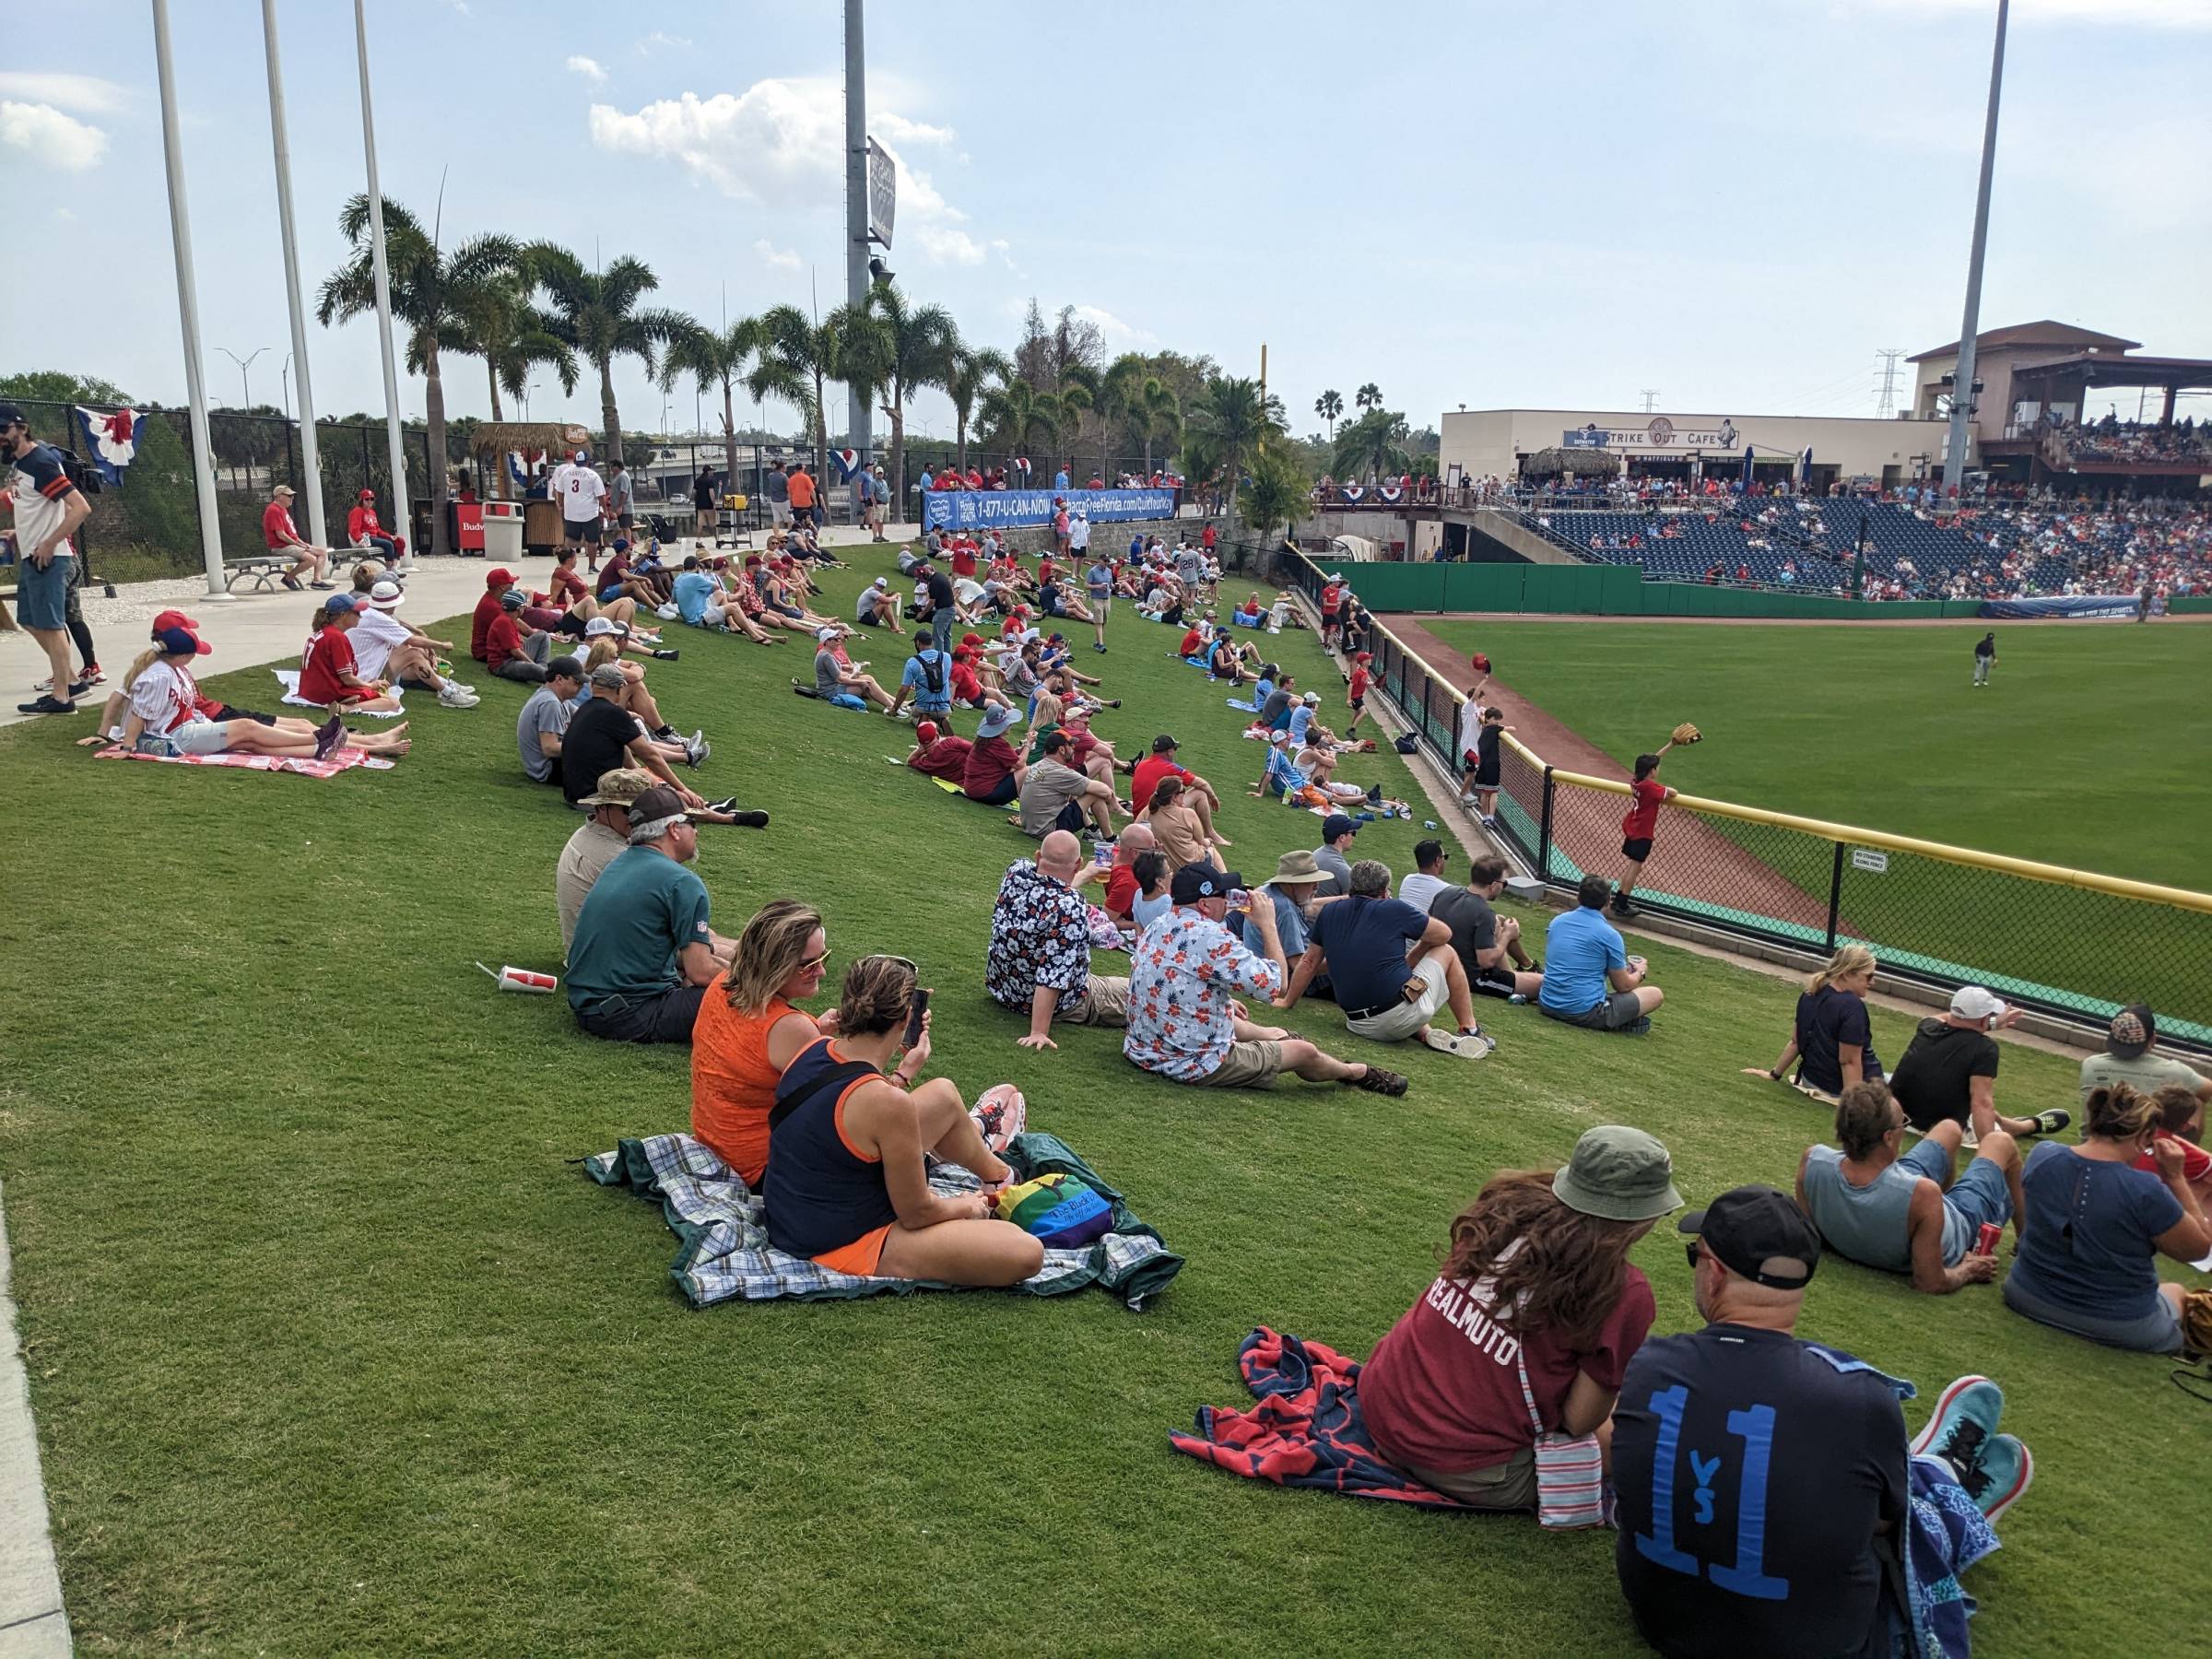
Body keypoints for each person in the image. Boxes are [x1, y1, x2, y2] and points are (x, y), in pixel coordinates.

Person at [1614, 1187, 2025, 1659]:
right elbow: (1887, 1523)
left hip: (1663, 1621)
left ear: (1714, 1275)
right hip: (1818, 1643)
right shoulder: (1861, 1397)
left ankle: (1942, 1470)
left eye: (1694, 1256)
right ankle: (1951, 1482)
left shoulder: (1649, 1366)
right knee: (1909, 1511)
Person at [1359, 1127, 1678, 1508]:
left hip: (1380, 1403)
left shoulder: (1506, 1206)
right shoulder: (1621, 1289)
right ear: (1645, 1215)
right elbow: (1579, 1422)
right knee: (1654, 1425)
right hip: (1463, 1466)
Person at [764, 955, 1041, 1285]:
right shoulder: (885, 1102)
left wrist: (906, 1070)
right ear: (906, 1018)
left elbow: (851, 1107)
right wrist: (965, 1206)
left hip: (791, 1213)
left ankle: (1000, 1176)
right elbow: (916, 1213)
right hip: (839, 1241)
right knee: (1026, 1252)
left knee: (942, 1094)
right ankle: (990, 1170)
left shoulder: (813, 1047)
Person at [1123, 862, 1407, 1095]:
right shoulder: (1212, 936)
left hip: (1144, 1046)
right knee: (1304, 1051)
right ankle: (1356, 1071)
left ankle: (1276, 1036)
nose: (1229, 901)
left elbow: (1183, 978)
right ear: (1205, 905)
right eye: (1224, 896)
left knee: (1240, 1017)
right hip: (1190, 1061)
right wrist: (1268, 925)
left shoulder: (1161, 922)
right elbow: (1276, 985)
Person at [2002, 1081, 2210, 1353]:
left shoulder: (2043, 1155)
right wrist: (2176, 1177)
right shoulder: (2146, 1190)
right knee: (2177, 1293)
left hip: (2027, 1294)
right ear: (2143, 1137)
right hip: (2119, 1323)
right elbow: (2198, 1248)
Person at [1795, 1080, 2025, 1295]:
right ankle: (2026, 1243)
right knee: (1999, 1142)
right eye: (1902, 1123)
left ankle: (1929, 1221)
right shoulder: (1921, 1194)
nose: (1904, 1129)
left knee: (1950, 1129)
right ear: (1888, 1137)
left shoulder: (1814, 1161)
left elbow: (1808, 1237)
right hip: (1958, 1220)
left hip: (1898, 1194)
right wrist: (1969, 1270)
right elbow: (1930, 1282)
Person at [1280, 860, 1490, 1058]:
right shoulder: (1394, 908)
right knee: (1446, 951)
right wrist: (1416, 953)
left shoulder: (1330, 912)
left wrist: (1287, 1002)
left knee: (1395, 997)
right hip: (1397, 1015)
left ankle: (1425, 1033)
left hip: (1357, 1023)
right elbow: (1444, 934)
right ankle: (1470, 1028)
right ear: (1383, 891)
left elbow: (1308, 963)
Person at [690, 900, 835, 1187]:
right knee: (938, 1100)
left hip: (715, 1144)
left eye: (824, 958)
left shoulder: (723, 984)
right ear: (775, 966)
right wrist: (902, 1070)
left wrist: (817, 1033)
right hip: (763, 1168)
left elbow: (754, 1056)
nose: (822, 972)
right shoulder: (789, 1028)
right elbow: (854, 1109)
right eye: (809, 965)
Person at [117, 624, 407, 762]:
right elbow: (140, 715)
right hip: (172, 737)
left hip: (185, 727)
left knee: (252, 740)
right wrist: (127, 748)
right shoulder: (157, 675)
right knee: (248, 729)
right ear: (182, 656)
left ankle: (320, 747)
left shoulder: (170, 669)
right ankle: (317, 739)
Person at [564, 785, 718, 1043]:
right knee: (743, 996)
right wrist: (756, 982)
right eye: (691, 822)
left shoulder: (619, 864)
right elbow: (701, 971)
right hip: (630, 1013)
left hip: (587, 1006)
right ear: (673, 830)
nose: (697, 831)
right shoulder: (682, 882)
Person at [987, 831, 1129, 1051]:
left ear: (1037, 857)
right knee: (1147, 994)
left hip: (1006, 989)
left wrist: (1081, 877)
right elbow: (1053, 972)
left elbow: (1049, 893)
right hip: (1062, 1001)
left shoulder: (1016, 872)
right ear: (1078, 863)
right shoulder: (1069, 905)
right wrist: (1039, 1031)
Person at [1888, 986, 2070, 1144]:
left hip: (1892, 1115)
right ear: (1983, 1019)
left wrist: (1988, 1023)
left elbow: (1943, 1018)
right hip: (1939, 1128)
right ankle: (2026, 1126)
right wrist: (1988, 1149)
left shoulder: (1927, 1028)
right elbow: (1982, 1102)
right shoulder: (1985, 1048)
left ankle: (2007, 1124)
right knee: (1989, 1121)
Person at [4, 404, 96, 714]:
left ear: (22, 428)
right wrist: (20, 534)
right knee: (30, 620)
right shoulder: (18, 465)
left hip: (50, 557)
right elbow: (35, 508)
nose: (1, 437)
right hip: (32, 553)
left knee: (52, 624)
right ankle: (70, 680)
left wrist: (49, 542)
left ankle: (61, 697)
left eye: (4, 430)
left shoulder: (41, 462)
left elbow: (80, 507)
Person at [559, 664, 707, 811]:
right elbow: (649, 755)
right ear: (620, 688)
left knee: (643, 775)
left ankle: (705, 806)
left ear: (592, 684)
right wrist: (683, 788)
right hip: (595, 798)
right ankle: (720, 815)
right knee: (664, 800)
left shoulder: (584, 709)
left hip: (574, 794)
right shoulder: (614, 714)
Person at [1753, 944, 1883, 1098]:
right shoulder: (1852, 1007)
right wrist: (1852, 1105)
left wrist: (1774, 1074)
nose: (1872, 982)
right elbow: (1849, 1062)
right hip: (1847, 1089)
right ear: (1848, 974)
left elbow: (1796, 1042)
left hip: (1811, 1081)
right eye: (1869, 976)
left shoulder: (1810, 994)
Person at [1537, 876, 1663, 1035]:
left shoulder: (1557, 921)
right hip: (1583, 1012)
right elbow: (1622, 986)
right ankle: (1617, 1021)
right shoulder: (1610, 935)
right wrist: (1640, 973)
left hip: (1547, 1004)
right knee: (1655, 994)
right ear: (1608, 901)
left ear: (1578, 897)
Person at [555, 766, 653, 952]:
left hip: (592, 951)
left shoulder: (588, 833)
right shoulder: (618, 856)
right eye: (628, 810)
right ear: (602, 807)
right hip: (608, 959)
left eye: (643, 809)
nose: (637, 817)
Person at [1430, 853, 1544, 1003]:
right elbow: (1486, 962)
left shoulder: (1446, 893)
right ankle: (1522, 974)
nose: (1503, 888)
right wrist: (1507, 936)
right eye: (1504, 883)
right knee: (1546, 983)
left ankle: (1521, 971)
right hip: (1472, 978)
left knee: (1499, 921)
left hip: (1440, 965)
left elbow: (1428, 926)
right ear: (1494, 885)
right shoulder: (1483, 912)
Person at [350, 579, 477, 708]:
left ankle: (443, 685)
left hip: (357, 668)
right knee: (414, 654)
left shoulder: (366, 610)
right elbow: (412, 640)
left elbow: (402, 632)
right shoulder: (379, 619)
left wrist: (420, 635)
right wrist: (442, 645)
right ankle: (447, 693)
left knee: (410, 650)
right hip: (364, 675)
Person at [2077, 1004, 2211, 1108]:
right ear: (2153, 1039)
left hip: (2096, 1141)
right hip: (2147, 1142)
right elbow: (2207, 1091)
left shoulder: (2090, 1064)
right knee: (2195, 1100)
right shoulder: (2177, 1072)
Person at [298, 594, 406, 712]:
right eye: (357, 613)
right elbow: (347, 678)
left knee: (381, 697)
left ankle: (348, 703)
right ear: (343, 615)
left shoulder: (323, 632)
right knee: (393, 703)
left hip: (309, 691)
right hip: (328, 693)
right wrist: (371, 685)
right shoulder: (337, 637)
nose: (360, 616)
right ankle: (345, 708)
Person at [1130, 735, 1230, 852]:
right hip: (1155, 818)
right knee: (1201, 792)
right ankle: (1210, 833)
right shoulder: (1170, 767)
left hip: (1140, 817)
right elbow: (1202, 784)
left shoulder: (1142, 764)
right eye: (1174, 749)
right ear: (1168, 752)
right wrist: (1213, 797)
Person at [1612, 747, 1680, 920]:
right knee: (1635, 868)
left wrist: (1671, 745)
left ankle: (1619, 899)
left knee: (1633, 866)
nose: (1658, 769)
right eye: (1656, 768)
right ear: (1651, 771)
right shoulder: (1651, 788)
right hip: (1643, 833)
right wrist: (1668, 788)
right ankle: (1622, 904)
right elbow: (1673, 793)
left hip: (1633, 829)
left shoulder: (1636, 781)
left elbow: (1651, 760)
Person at [1018, 730, 1118, 839]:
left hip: (1030, 827)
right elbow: (1104, 791)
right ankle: (1110, 838)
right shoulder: (1060, 772)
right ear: (1061, 749)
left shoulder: (1039, 765)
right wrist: (1111, 799)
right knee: (1095, 794)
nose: (1074, 747)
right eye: (1070, 745)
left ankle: (1091, 829)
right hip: (1048, 831)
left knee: (1081, 791)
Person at [518, 656, 585, 786]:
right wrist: (586, 747)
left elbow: (584, 716)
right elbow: (550, 748)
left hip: (549, 766)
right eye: (577, 682)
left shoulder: (559, 698)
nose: (581, 686)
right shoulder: (550, 703)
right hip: (548, 770)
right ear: (559, 679)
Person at [812, 627, 910, 716]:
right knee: (867, 682)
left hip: (833, 687)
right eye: (836, 639)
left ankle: (896, 705)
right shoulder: (826, 656)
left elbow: (836, 669)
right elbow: (840, 679)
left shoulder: (827, 653)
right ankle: (894, 708)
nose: (840, 641)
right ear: (827, 642)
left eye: (839, 639)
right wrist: (859, 681)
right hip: (830, 691)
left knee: (868, 679)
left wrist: (852, 671)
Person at [260, 482, 333, 593]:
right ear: (279, 496)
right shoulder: (273, 510)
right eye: (289, 496)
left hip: (290, 544)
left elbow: (292, 534)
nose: (292, 498)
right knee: (311, 559)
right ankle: (288, 578)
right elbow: (281, 535)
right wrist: (297, 544)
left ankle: (317, 581)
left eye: (292, 496)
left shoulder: (282, 510)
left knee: (322, 552)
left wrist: (303, 543)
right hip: (281, 546)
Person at [960, 705, 1026, 806]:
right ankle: (1029, 803)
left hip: (972, 790)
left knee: (1016, 769)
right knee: (1027, 770)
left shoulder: (984, 740)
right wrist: (1028, 745)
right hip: (985, 793)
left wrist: (1018, 751)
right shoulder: (997, 743)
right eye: (1008, 723)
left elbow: (1003, 757)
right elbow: (1020, 764)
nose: (1010, 725)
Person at [551, 453, 607, 569]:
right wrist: (605, 511)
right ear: (587, 462)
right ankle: (591, 566)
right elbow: (601, 496)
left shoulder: (566, 473)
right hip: (589, 513)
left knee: (570, 541)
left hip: (571, 513)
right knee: (592, 541)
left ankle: (565, 566)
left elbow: (559, 491)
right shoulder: (593, 475)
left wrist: (561, 506)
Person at [346, 488, 405, 567]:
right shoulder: (357, 511)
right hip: (365, 539)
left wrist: (390, 536)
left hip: (374, 538)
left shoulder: (372, 512)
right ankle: (390, 569)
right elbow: (354, 529)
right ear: (362, 500)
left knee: (397, 541)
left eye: (372, 499)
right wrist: (360, 539)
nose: (370, 501)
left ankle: (394, 567)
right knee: (388, 544)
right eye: (367, 499)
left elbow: (377, 530)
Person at [904, 719, 971, 782]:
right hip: (978, 773)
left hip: (968, 782)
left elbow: (910, 761)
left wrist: (918, 752)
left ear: (920, 743)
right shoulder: (951, 742)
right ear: (937, 735)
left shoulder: (926, 764)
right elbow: (976, 750)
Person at [1312, 813, 1361, 897]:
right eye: (1353, 833)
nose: (1353, 837)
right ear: (1342, 837)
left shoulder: (1316, 853)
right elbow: (1353, 903)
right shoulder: (1342, 869)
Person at [1397, 840, 1453, 914]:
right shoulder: (1448, 891)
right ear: (1438, 861)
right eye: (1445, 857)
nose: (1445, 860)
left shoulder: (1407, 879)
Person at [606, 456, 635, 539]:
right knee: (623, 527)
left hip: (625, 508)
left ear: (617, 466)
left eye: (612, 467)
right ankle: (625, 545)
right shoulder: (618, 476)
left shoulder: (623, 476)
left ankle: (629, 546)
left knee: (626, 527)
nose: (611, 469)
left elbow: (624, 492)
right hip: (619, 508)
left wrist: (620, 506)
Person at [784, 461, 817, 528]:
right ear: (802, 469)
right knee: (809, 520)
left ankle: (800, 532)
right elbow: (812, 491)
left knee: (798, 520)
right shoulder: (806, 478)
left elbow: (789, 493)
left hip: (796, 504)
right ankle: (808, 532)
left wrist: (791, 503)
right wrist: (815, 501)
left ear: (795, 470)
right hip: (806, 503)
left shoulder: (791, 479)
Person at [762, 461, 791, 529]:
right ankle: (791, 534)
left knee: (776, 520)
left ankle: (777, 535)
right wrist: (791, 500)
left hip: (774, 500)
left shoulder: (771, 476)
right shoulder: (784, 476)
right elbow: (789, 489)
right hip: (783, 500)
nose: (786, 469)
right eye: (785, 467)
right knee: (789, 520)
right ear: (781, 467)